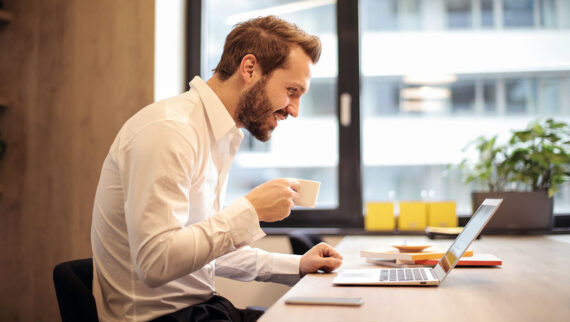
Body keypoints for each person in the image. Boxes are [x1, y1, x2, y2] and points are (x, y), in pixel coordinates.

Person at [91, 15, 343, 322]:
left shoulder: (220, 135)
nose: (294, 110)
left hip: (200, 311)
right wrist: (249, 210)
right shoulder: (170, 131)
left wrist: (296, 265)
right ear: (249, 69)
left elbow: (201, 251)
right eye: (292, 91)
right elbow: (156, 263)